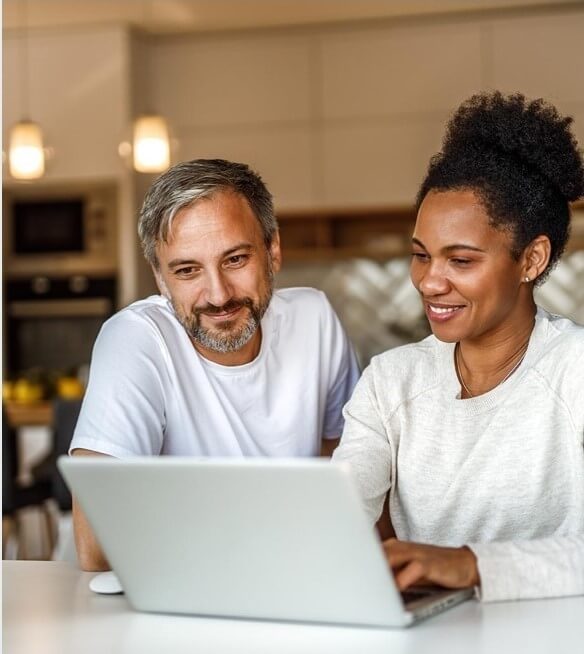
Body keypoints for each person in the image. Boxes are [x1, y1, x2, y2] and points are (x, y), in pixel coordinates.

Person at [333, 92, 584, 602]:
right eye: (421, 255)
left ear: (532, 259)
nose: (428, 282)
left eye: (461, 261)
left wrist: (470, 565)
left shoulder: (574, 370)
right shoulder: (390, 380)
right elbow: (339, 522)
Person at [70, 158, 360, 570]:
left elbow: (354, 478)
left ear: (272, 250)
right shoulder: (134, 339)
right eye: (188, 270)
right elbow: (97, 546)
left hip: (290, 577)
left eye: (236, 259)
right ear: (159, 277)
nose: (219, 294)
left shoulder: (314, 318)